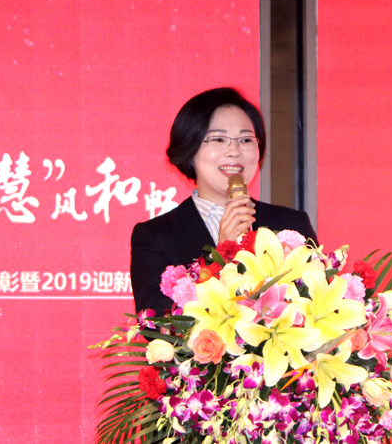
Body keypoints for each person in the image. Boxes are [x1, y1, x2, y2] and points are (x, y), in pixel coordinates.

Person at [131, 87, 318, 314]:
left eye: (245, 140)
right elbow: (156, 321)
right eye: (219, 139)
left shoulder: (293, 224)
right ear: (190, 148)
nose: (234, 151)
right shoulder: (155, 237)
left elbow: (316, 305)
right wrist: (220, 256)